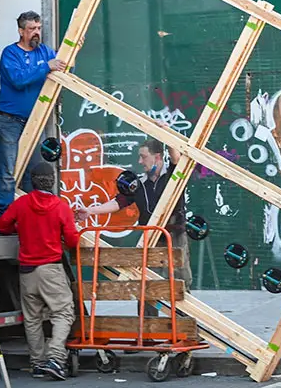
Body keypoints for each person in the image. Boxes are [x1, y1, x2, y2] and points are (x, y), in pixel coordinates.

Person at [76, 127, 193, 304]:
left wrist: (166, 131)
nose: (140, 161)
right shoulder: (139, 183)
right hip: (151, 238)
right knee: (147, 285)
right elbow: (117, 203)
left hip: (174, 236)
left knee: (181, 281)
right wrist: (91, 210)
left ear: (158, 157)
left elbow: (176, 157)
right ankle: (148, 327)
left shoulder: (173, 176)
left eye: (143, 157)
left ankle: (183, 324)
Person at [0, 162, 79, 381]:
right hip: (50, 269)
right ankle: (55, 358)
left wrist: (20, 227)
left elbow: (3, 224)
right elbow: (72, 240)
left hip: (26, 271)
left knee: (32, 318)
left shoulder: (21, 204)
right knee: (63, 312)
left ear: (32, 181)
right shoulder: (60, 206)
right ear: (52, 181)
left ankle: (38, 363)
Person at [0, 11, 65, 220]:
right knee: (7, 169)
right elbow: (18, 79)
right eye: (32, 29)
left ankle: (32, 219)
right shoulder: (10, 53)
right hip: (9, 120)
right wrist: (45, 67)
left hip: (35, 120)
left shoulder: (45, 52)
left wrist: (73, 51)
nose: (36, 33)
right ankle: (2, 218)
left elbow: (64, 69)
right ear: (21, 31)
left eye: (38, 28)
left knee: (35, 171)